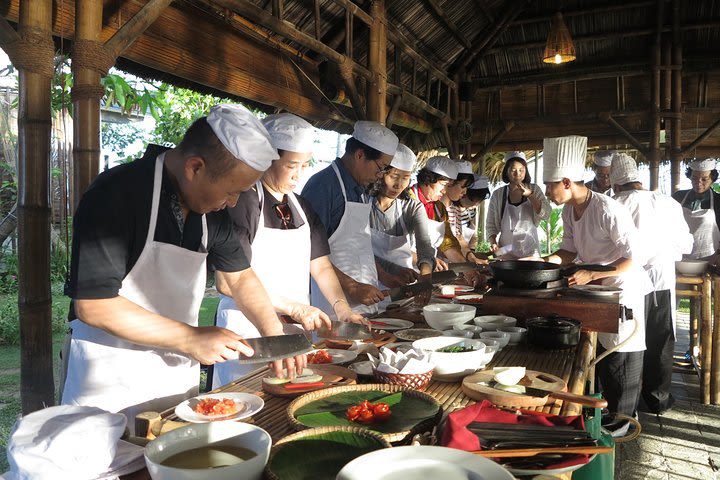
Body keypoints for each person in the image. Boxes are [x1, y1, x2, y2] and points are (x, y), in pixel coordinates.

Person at [62, 104, 306, 429]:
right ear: (195, 167)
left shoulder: (212, 211)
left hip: (175, 377)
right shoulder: (117, 194)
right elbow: (94, 305)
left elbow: (240, 278)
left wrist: (274, 337)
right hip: (108, 378)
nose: (233, 203)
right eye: (232, 191)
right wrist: (190, 338)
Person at [213, 113, 366, 388]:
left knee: (291, 394)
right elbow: (227, 282)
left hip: (294, 328)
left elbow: (320, 265)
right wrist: (294, 308)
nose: (299, 174)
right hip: (247, 329)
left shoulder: (302, 206)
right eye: (291, 165)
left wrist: (342, 310)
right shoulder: (245, 200)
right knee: (247, 400)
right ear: (268, 159)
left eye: (305, 164)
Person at [540, 135, 651, 437]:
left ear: (566, 182)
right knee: (599, 357)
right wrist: (542, 262)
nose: (546, 192)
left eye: (549, 186)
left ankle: (622, 426)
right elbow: (568, 252)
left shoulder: (607, 208)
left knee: (620, 359)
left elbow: (634, 257)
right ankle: (603, 418)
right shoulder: (568, 210)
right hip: (595, 292)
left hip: (621, 289)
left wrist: (591, 275)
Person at [609, 152, 693, 414]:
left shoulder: (613, 204)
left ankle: (624, 406)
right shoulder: (667, 202)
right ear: (638, 179)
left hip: (625, 284)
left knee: (627, 344)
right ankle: (657, 399)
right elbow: (685, 245)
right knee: (660, 340)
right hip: (660, 280)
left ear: (615, 183)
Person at [301, 121, 398, 315]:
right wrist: (352, 287)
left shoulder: (361, 189)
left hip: (365, 300)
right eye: (381, 167)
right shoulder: (323, 186)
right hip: (332, 305)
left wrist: (384, 276)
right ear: (360, 155)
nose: (380, 176)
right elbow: (309, 252)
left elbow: (359, 246)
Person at [368, 143, 434, 290]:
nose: (399, 184)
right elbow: (359, 248)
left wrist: (425, 275)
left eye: (405, 178)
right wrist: (392, 270)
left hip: (403, 283)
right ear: (381, 174)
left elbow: (424, 245)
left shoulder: (413, 207)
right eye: (394, 176)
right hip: (369, 281)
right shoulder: (364, 203)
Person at [486, 151, 551, 259]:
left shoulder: (534, 189)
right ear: (506, 171)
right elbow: (491, 224)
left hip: (530, 250)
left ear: (526, 171)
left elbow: (546, 214)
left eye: (521, 170)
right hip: (505, 250)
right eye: (513, 170)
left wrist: (531, 195)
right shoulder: (498, 194)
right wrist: (493, 242)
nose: (518, 174)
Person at [671, 158, 720, 259]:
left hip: (709, 258)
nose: (698, 182)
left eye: (704, 179)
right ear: (689, 176)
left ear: (712, 179)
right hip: (679, 256)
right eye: (694, 178)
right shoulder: (678, 197)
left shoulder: (717, 200)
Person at [451, 174, 490, 252]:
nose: (475, 206)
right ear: (463, 195)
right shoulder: (451, 209)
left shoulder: (471, 211)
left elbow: (472, 232)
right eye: (473, 202)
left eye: (479, 202)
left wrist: (471, 249)